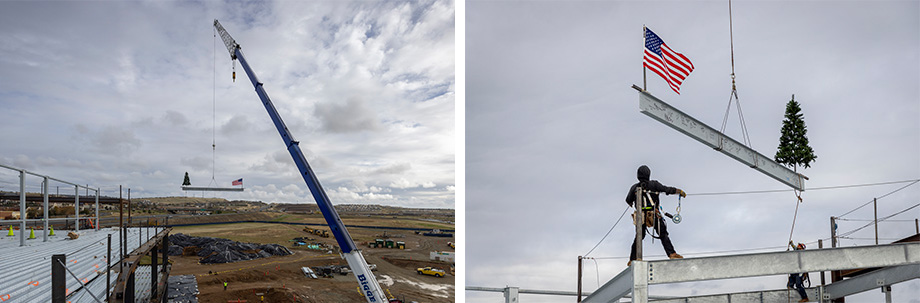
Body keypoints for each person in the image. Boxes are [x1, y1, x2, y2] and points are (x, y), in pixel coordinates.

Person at [625, 165, 686, 266]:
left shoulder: (634, 188)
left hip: (641, 216)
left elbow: (628, 200)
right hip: (654, 214)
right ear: (648, 174)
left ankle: (633, 259)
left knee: (639, 237)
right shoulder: (654, 184)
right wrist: (678, 191)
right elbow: (667, 189)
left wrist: (634, 200)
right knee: (663, 234)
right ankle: (672, 254)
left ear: (638, 175)